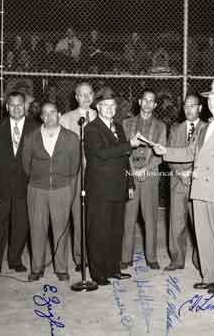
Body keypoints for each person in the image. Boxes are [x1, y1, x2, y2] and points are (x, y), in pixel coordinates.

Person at [153, 80, 214, 295]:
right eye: (210, 100)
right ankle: (208, 276)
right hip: (200, 190)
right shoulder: (204, 127)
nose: (212, 104)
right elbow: (190, 153)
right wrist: (165, 151)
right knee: (204, 236)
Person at [84, 93, 142, 286]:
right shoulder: (91, 129)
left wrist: (130, 183)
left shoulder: (118, 127)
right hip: (99, 189)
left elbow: (125, 159)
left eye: (113, 105)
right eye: (105, 105)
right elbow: (100, 154)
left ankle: (113, 269)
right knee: (99, 231)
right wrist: (128, 144)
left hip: (118, 187)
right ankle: (98, 273)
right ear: (98, 108)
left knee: (116, 230)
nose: (110, 109)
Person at [0, 91, 39, 277]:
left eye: (20, 104)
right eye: (12, 105)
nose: (16, 108)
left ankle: (15, 260)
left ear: (26, 107)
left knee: (21, 224)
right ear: (6, 107)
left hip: (25, 185)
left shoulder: (35, 127)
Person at [22, 103, 80, 281]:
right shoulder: (31, 137)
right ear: (41, 117)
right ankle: (37, 268)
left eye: (52, 113)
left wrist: (64, 183)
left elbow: (75, 165)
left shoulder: (71, 137)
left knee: (61, 229)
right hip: (37, 189)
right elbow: (26, 165)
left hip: (62, 189)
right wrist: (39, 179)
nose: (49, 117)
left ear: (59, 114)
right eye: (45, 114)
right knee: (37, 229)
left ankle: (61, 269)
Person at [121, 89, 167, 270]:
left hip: (151, 174)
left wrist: (146, 169)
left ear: (155, 105)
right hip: (130, 175)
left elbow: (161, 154)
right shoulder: (126, 124)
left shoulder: (161, 126)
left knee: (150, 217)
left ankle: (151, 257)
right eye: (145, 100)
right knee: (128, 217)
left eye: (151, 101)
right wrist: (133, 170)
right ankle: (126, 257)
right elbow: (123, 150)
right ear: (139, 102)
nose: (148, 104)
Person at [164, 94, 207, 271]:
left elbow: (208, 156)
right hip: (178, 182)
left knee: (199, 223)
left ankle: (201, 259)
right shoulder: (175, 129)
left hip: (198, 181)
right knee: (176, 222)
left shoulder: (208, 128)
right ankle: (177, 259)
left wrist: (193, 173)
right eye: (186, 106)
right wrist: (180, 173)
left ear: (200, 108)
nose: (189, 109)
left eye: (193, 106)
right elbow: (167, 153)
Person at [59, 82, 97, 272]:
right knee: (78, 214)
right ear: (76, 97)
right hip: (74, 174)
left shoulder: (101, 114)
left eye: (89, 93)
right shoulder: (65, 119)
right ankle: (80, 257)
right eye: (82, 95)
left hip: (98, 173)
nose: (86, 97)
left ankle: (96, 254)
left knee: (96, 215)